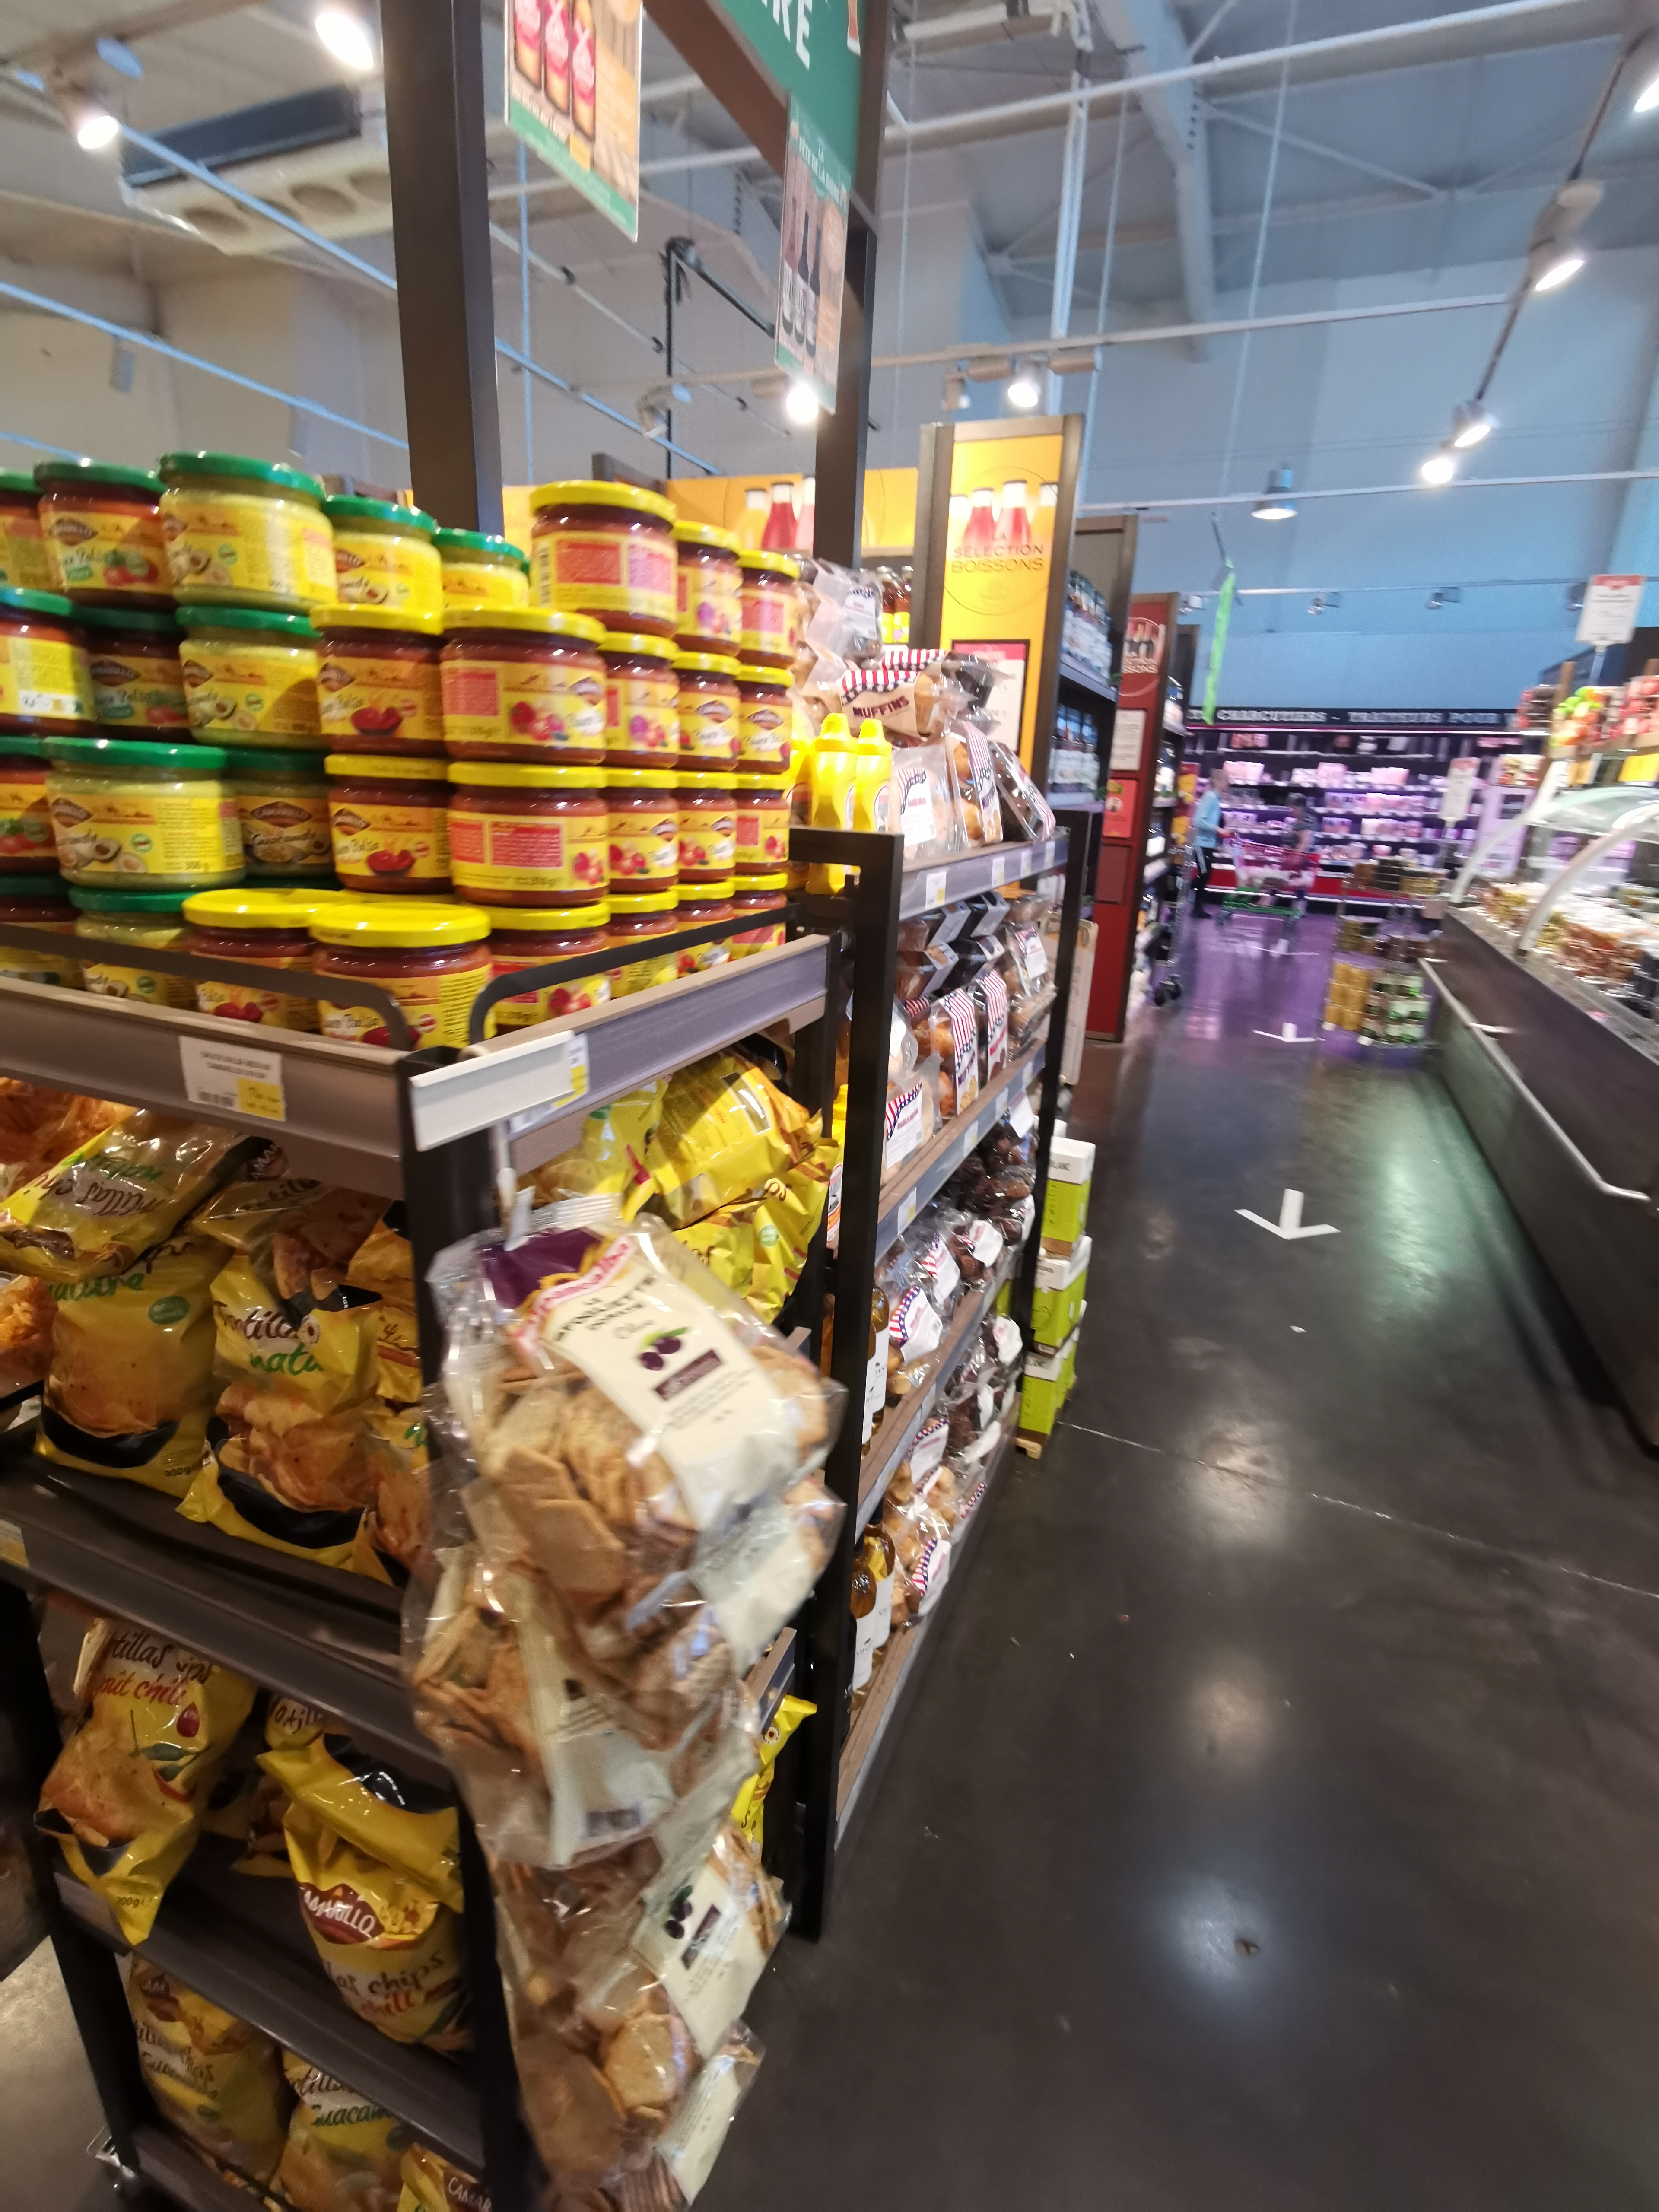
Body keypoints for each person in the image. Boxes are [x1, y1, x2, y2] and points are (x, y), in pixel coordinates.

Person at [1189, 769, 1225, 917]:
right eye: (1225, 781)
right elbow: (1198, 821)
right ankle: (1184, 890)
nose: (1227, 784)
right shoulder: (1210, 797)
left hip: (1208, 844)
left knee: (1205, 875)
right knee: (1204, 874)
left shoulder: (1215, 798)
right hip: (1201, 844)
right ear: (1217, 781)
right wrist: (1217, 829)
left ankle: (1196, 906)